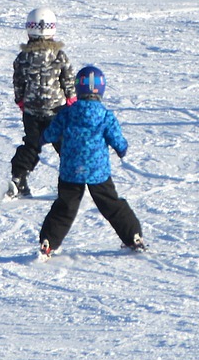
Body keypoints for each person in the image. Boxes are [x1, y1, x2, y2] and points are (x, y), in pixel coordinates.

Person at [38, 65, 145, 254]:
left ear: (78, 88)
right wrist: (122, 149)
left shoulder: (67, 113)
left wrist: (42, 138)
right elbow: (117, 139)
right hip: (98, 171)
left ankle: (48, 242)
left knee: (65, 206)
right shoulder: (105, 116)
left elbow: (52, 133)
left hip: (71, 170)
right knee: (111, 203)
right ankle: (133, 236)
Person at [8, 7, 72, 197]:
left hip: (32, 112)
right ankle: (71, 184)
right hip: (57, 111)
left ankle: (19, 177)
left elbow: (18, 82)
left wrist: (21, 101)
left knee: (32, 145)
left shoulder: (22, 57)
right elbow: (68, 80)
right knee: (65, 146)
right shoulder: (59, 55)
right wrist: (72, 100)